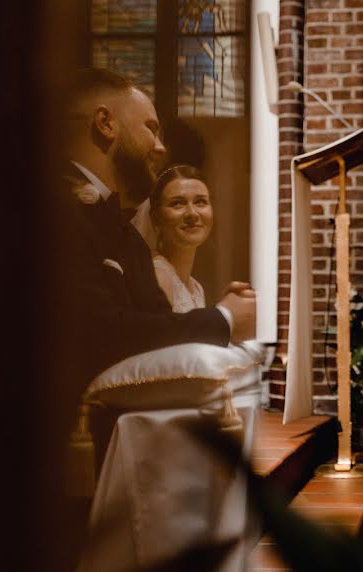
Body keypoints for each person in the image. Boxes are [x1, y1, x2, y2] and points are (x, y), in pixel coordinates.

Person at [60, 68, 256, 392]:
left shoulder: (128, 237)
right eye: (151, 129)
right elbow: (100, 333)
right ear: (105, 124)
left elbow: (159, 331)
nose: (161, 147)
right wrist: (224, 320)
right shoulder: (57, 211)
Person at [148, 165, 213, 313]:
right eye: (177, 203)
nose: (192, 213)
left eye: (200, 202)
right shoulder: (158, 278)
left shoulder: (197, 288)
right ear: (156, 219)